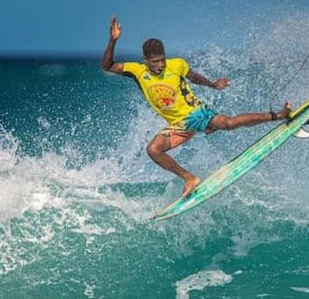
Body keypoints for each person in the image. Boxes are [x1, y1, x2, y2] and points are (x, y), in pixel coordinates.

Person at [102, 16, 292, 197]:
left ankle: (279, 115)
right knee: (153, 150)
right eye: (155, 62)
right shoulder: (137, 71)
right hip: (178, 125)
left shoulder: (176, 65)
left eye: (162, 59)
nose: (160, 65)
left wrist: (213, 84)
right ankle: (189, 178)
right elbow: (107, 65)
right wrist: (113, 40)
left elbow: (194, 77)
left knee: (228, 122)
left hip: (196, 114)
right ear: (145, 60)